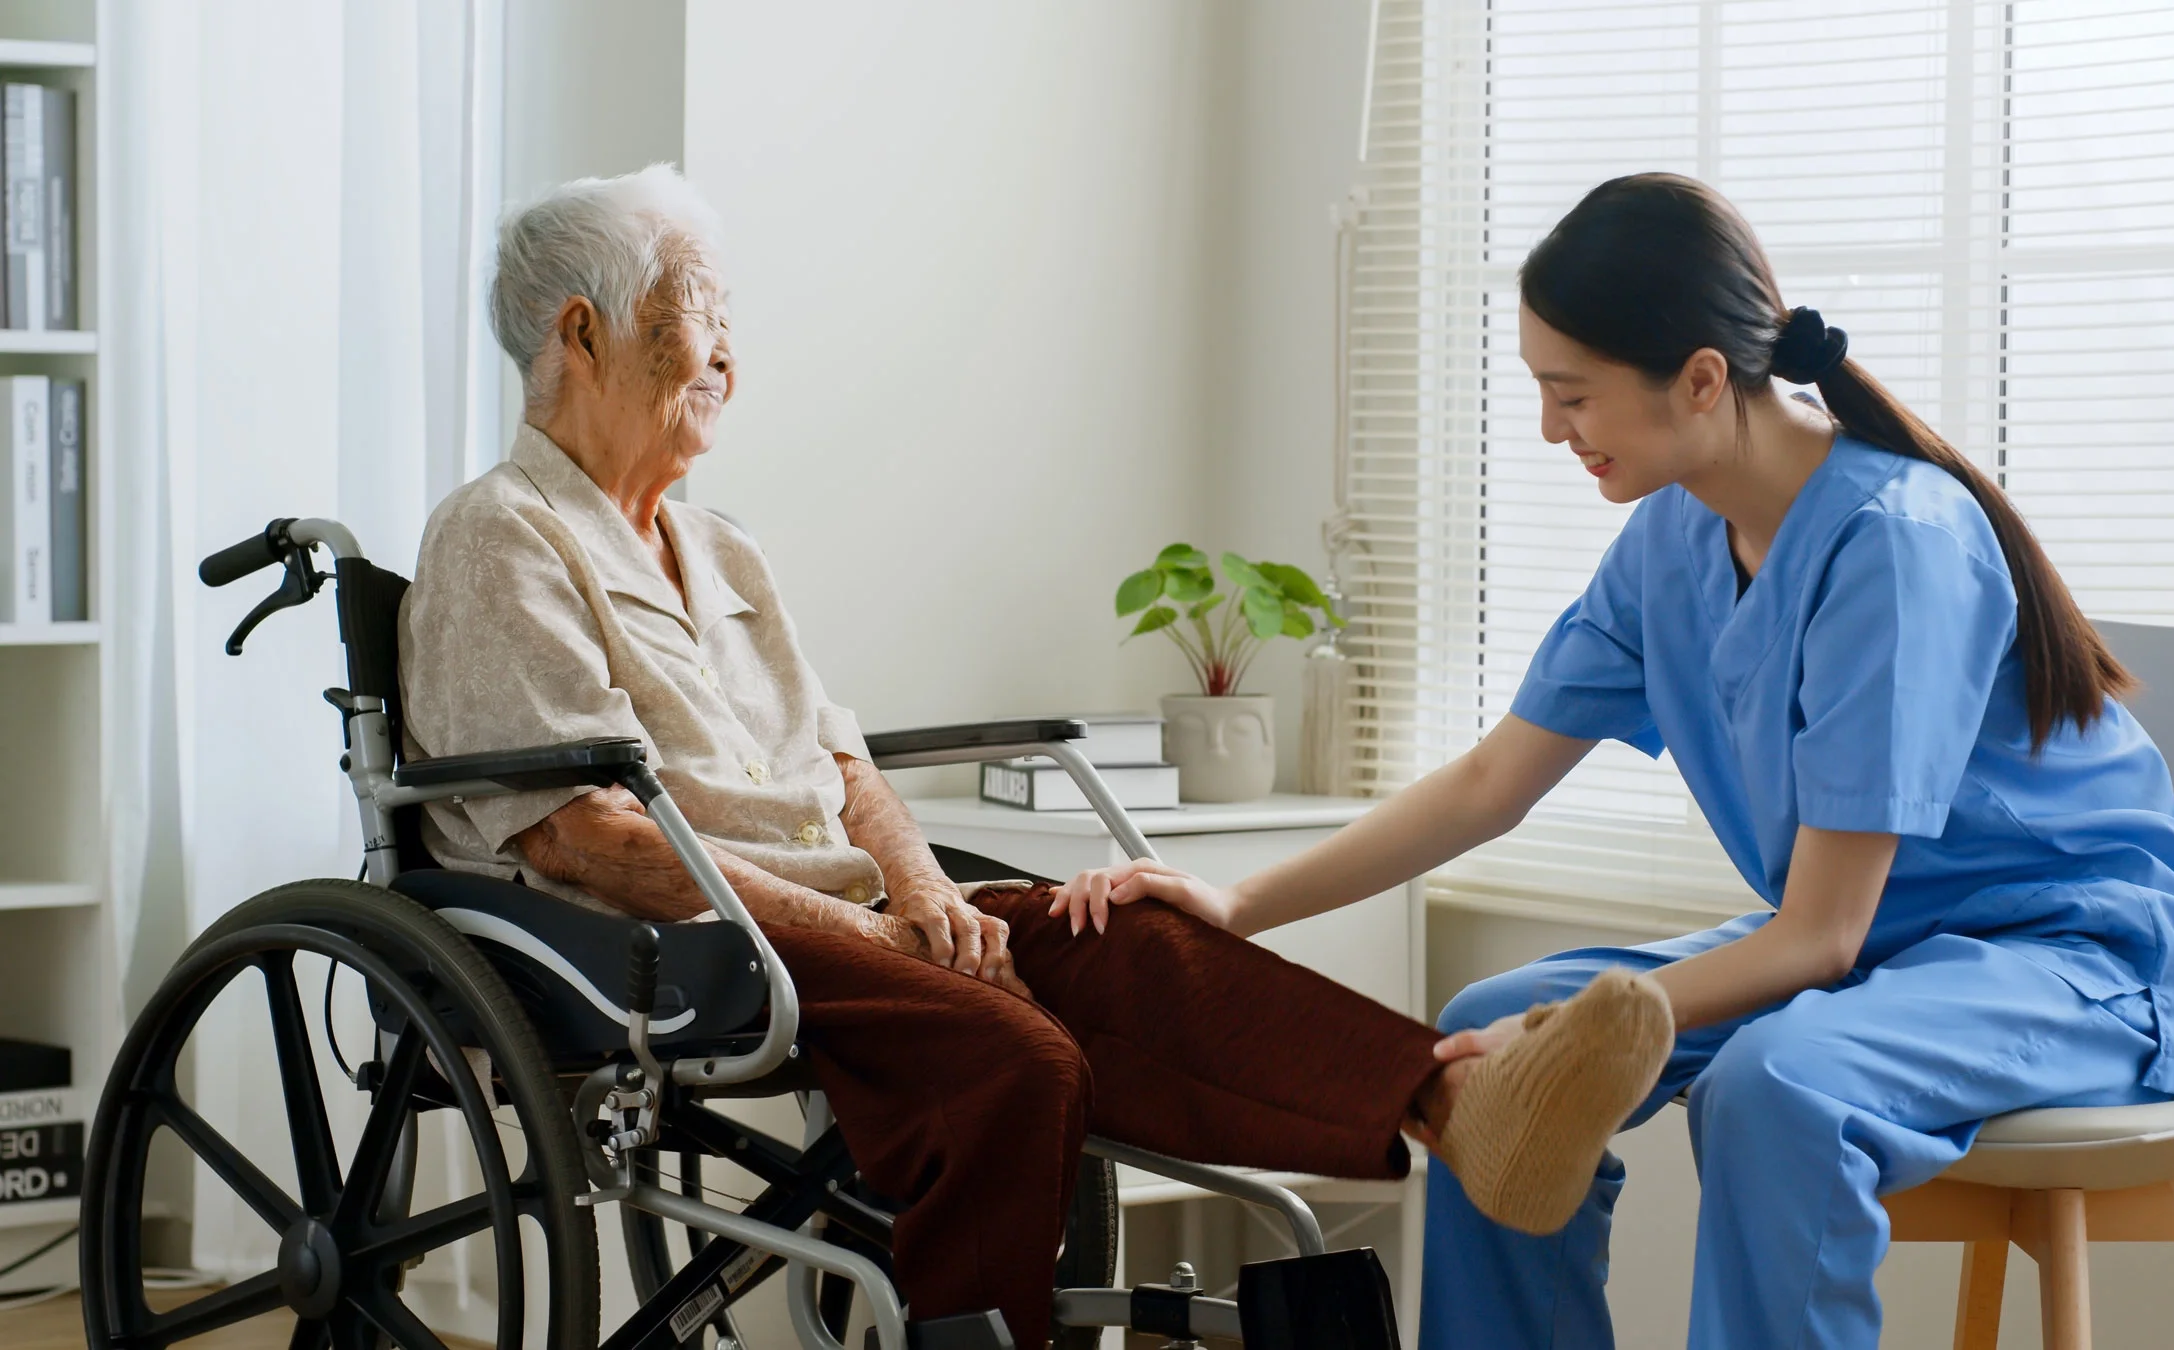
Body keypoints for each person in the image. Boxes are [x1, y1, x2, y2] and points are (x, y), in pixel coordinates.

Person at [397, 164, 1660, 1349]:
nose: (730, 350)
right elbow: (584, 837)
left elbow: (846, 766)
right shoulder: (498, 541)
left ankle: (1453, 1109)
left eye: (732, 317)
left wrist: (925, 895)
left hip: (823, 904)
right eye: (700, 314)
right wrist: (876, 936)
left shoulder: (721, 547)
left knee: (1121, 937)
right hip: (656, 935)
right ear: (581, 334)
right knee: (1018, 1052)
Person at [1052, 173, 2174, 1350]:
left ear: (1703, 379)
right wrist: (1236, 905)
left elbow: (1818, 938)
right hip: (1886, 948)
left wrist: (1581, 1041)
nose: (1553, 430)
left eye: (1574, 395)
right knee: (1480, 1036)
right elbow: (1490, 783)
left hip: (2075, 960)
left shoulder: (1896, 546)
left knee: (1777, 1088)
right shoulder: (1670, 541)